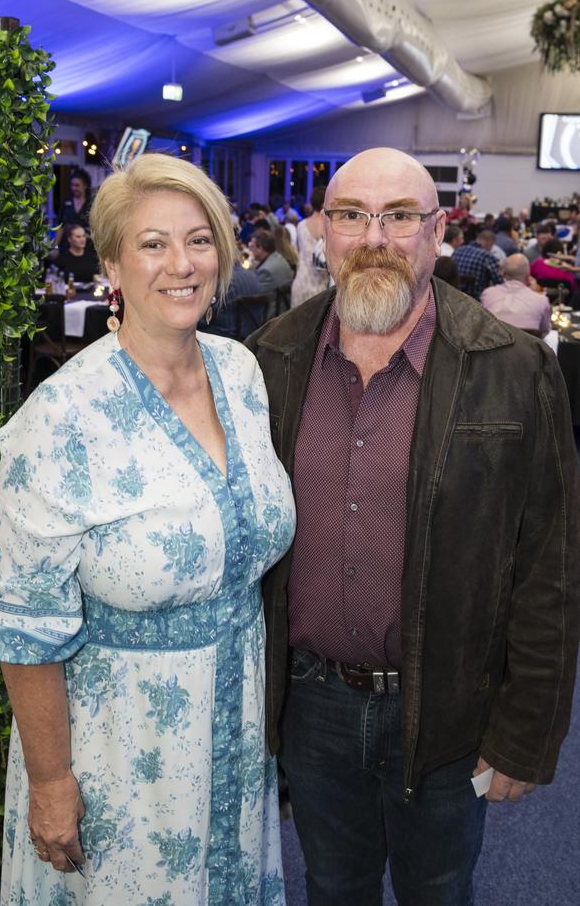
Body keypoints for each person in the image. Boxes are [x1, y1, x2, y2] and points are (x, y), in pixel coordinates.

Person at [246, 147, 579, 906]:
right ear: (324, 234)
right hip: (312, 704)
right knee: (333, 886)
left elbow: (549, 567)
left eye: (399, 217)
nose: (374, 237)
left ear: (435, 233)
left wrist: (527, 732)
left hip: (449, 706)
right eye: (352, 216)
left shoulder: (514, 369)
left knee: (437, 888)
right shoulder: (271, 360)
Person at [0, 153, 296, 904]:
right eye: (153, 244)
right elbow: (24, 626)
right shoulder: (60, 418)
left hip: (237, 744)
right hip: (119, 756)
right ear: (111, 259)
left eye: (199, 239)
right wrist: (52, 784)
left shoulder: (241, 374)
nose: (181, 264)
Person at [481, 253, 551, 336]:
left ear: (503, 274)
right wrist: (536, 293)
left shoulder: (487, 294)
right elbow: (544, 331)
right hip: (526, 348)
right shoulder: (541, 300)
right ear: (528, 276)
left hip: (494, 347)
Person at [290, 186, 330, 307]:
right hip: (321, 285)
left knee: (298, 324)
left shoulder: (301, 225)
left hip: (301, 281)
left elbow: (297, 251)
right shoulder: (329, 225)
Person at [250, 230, 294, 318]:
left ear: (260, 248)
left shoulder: (266, 271)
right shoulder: (279, 257)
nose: (250, 248)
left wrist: (250, 269)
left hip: (271, 316)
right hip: (285, 310)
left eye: (252, 246)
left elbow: (251, 294)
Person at [452, 229, 504, 299]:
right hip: (476, 302)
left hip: (454, 297)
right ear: (490, 243)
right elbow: (499, 282)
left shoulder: (458, 250)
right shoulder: (487, 256)